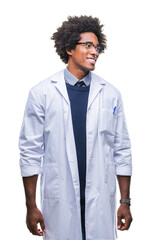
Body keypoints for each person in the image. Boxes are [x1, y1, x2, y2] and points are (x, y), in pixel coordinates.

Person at [19, 15, 132, 240]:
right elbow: (30, 153)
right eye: (87, 45)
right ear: (69, 48)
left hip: (100, 200)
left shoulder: (110, 94)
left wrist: (125, 202)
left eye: (97, 46)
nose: (95, 51)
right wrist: (31, 207)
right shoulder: (42, 93)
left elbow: (122, 150)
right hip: (60, 201)